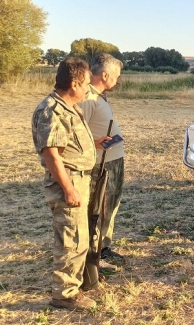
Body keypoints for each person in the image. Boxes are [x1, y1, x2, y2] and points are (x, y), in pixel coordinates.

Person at [31, 57, 98, 310]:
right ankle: (64, 295)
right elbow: (51, 154)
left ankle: (72, 288)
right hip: (67, 183)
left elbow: (69, 145)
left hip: (79, 179)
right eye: (86, 84)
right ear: (73, 83)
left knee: (78, 238)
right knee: (71, 239)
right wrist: (69, 189)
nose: (88, 89)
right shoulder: (51, 110)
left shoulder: (69, 106)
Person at [79, 53, 125, 271]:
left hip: (112, 160)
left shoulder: (99, 95)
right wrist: (94, 143)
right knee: (100, 208)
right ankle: (94, 255)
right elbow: (77, 129)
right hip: (101, 164)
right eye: (116, 75)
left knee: (110, 207)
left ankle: (103, 247)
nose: (118, 79)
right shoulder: (88, 97)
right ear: (105, 74)